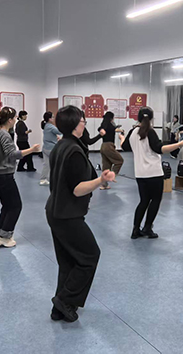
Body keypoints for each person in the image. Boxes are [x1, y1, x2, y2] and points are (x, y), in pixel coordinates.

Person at [46, 105, 116, 322]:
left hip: (55, 210)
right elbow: (77, 189)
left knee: (68, 261)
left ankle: (59, 309)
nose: (84, 123)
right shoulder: (73, 151)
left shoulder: (61, 145)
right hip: (67, 215)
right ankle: (64, 300)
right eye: (82, 121)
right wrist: (101, 180)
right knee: (89, 256)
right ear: (74, 124)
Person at [121, 107, 183, 239]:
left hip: (140, 174)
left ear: (138, 118)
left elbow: (125, 147)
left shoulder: (133, 132)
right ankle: (147, 228)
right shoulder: (150, 132)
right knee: (156, 200)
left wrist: (122, 137)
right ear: (152, 118)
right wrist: (180, 144)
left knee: (144, 201)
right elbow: (160, 149)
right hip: (154, 173)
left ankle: (135, 229)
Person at [0, 107, 40, 248]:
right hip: (4, 175)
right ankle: (4, 237)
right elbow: (12, 154)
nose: (16, 120)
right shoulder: (4, 135)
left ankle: (0, 233)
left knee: (7, 205)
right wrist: (32, 150)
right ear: (10, 120)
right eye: (15, 118)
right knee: (16, 206)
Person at [98, 111, 124, 189]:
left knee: (106, 167)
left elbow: (100, 128)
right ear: (111, 118)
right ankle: (113, 175)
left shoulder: (103, 125)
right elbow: (114, 129)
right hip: (109, 146)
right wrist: (121, 131)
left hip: (103, 146)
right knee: (119, 160)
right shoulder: (110, 125)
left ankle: (103, 185)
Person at [41, 111, 62, 186]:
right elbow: (60, 132)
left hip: (45, 148)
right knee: (56, 164)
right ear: (49, 119)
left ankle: (43, 179)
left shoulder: (46, 126)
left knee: (46, 165)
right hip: (51, 148)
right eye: (52, 117)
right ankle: (56, 179)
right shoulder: (51, 127)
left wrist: (56, 137)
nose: (54, 118)